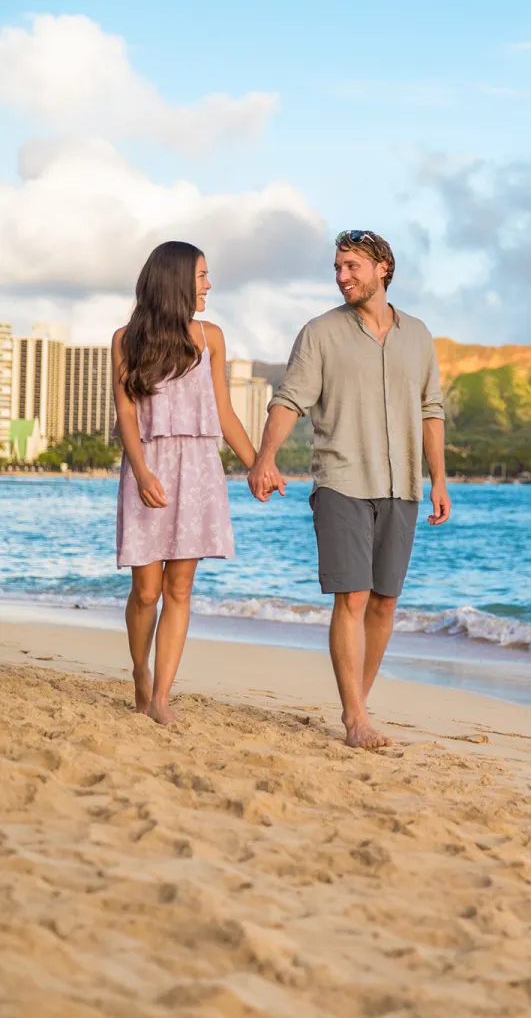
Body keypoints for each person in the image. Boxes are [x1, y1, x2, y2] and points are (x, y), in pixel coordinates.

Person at [248, 230, 451, 749]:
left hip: (401, 483)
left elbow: (431, 410)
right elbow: (289, 400)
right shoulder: (320, 333)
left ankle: (355, 702)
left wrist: (439, 481)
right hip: (341, 480)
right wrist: (265, 458)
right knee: (353, 596)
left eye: (352, 266)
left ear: (383, 267)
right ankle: (355, 717)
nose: (342, 276)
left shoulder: (419, 335)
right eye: (337, 267)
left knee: (385, 601)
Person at [112, 240, 257, 725]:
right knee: (146, 591)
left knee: (179, 588)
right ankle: (140, 672)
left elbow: (224, 413)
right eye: (201, 276)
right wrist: (141, 470)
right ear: (176, 280)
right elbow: (127, 416)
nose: (209, 285)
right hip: (147, 467)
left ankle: (162, 697)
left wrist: (259, 463)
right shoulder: (125, 339)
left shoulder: (210, 336)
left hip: (197, 470)